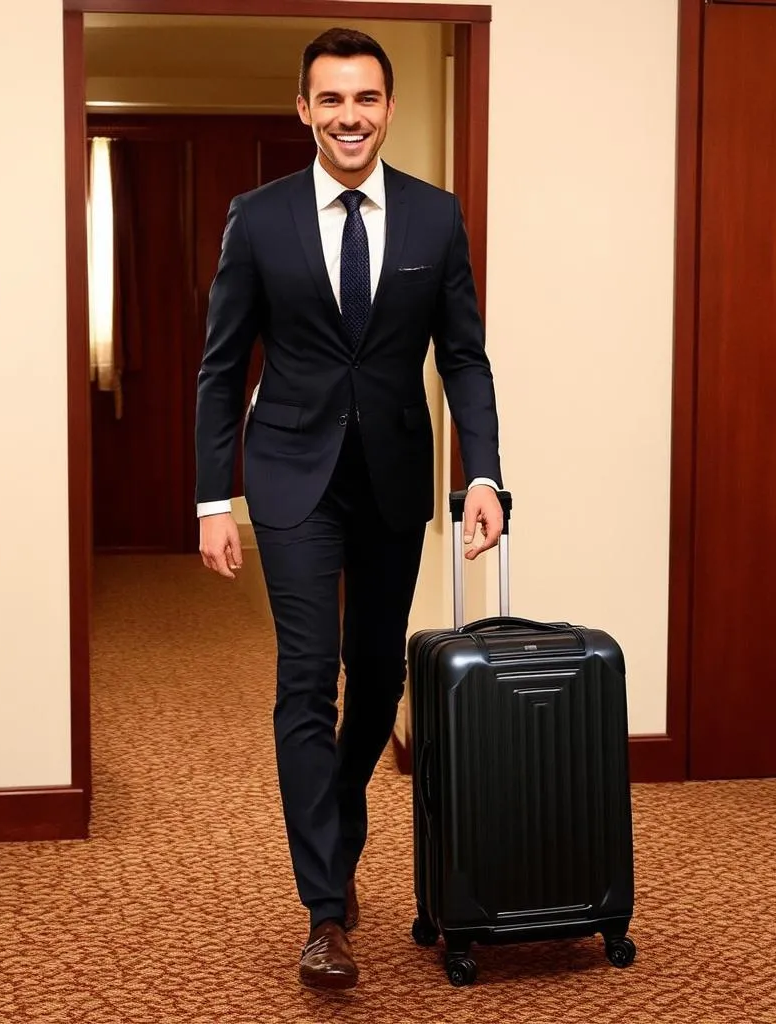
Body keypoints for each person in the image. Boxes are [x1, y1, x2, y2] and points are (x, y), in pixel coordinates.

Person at [194, 26, 505, 992]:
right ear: (304, 109)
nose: (348, 117)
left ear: (389, 107)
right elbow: (219, 368)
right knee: (305, 678)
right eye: (329, 100)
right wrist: (214, 498)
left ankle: (338, 810)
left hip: (392, 479)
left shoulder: (432, 218)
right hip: (287, 476)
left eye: (364, 99)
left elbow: (462, 355)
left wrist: (483, 475)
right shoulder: (259, 217)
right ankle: (326, 911)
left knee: (374, 677)